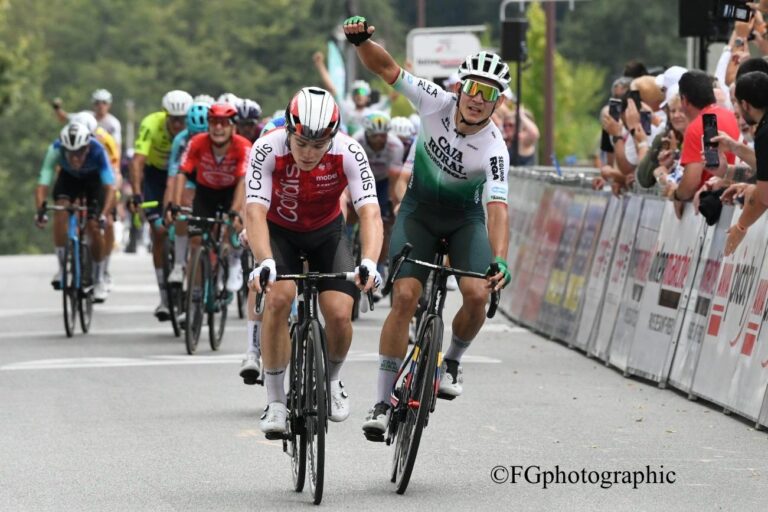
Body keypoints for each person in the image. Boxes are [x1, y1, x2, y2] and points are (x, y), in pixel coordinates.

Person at [340, 16, 511, 438]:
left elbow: (498, 207)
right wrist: (362, 42)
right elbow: (387, 69)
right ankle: (381, 401)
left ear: (497, 103)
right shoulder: (434, 101)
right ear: (460, 88)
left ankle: (451, 360)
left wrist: (500, 258)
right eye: (472, 87)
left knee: (475, 294)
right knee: (404, 297)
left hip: (464, 220)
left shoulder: (494, 149)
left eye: (488, 94)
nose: (476, 98)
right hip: (418, 212)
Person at [246, 86, 383, 434]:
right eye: (302, 143)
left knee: (338, 312)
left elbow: (370, 213)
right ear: (289, 131)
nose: (309, 153)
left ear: (332, 138)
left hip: (327, 233)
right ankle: (275, 402)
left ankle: (333, 379)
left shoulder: (350, 150)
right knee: (279, 298)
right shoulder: (267, 147)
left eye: (319, 145)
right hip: (279, 233)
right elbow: (255, 211)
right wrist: (264, 260)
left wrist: (369, 260)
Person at [129, 89, 193, 321]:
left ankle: (187, 272)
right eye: (173, 119)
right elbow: (137, 162)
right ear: (164, 115)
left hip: (183, 176)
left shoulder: (192, 131)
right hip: (155, 176)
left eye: (182, 119)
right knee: (158, 231)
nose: (178, 124)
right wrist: (136, 194)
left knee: (188, 223)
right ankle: (165, 297)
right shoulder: (151, 124)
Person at [35, 122, 115, 302]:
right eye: (70, 153)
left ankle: (99, 278)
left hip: (94, 182)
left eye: (79, 152)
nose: (75, 159)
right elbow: (42, 183)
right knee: (61, 210)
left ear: (87, 147)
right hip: (69, 179)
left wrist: (103, 214)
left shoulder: (98, 151)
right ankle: (62, 268)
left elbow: (110, 187)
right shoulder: (55, 149)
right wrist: (40, 210)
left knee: (94, 227)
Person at [176, 102, 250, 293]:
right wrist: (174, 204)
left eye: (224, 123)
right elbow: (182, 172)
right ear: (208, 125)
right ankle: (196, 294)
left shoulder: (243, 145)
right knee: (196, 242)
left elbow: (243, 180)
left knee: (236, 223)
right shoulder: (197, 142)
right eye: (214, 122)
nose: (218, 127)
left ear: (233, 126)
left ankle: (234, 264)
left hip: (232, 191)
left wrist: (235, 211)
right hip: (206, 193)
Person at [672, 71, 740, 216]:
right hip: (735, 201)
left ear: (684, 100)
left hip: (712, 207)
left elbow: (691, 182)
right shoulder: (731, 116)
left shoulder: (696, 127)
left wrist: (676, 195)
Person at [719, 71, 768, 255]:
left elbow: (764, 196)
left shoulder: (764, 133)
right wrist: (735, 147)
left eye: (737, 104)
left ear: (745, 104)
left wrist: (740, 227)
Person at [354, 111, 404, 284]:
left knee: (382, 221)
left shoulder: (395, 145)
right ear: (367, 134)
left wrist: (392, 202)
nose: (380, 139)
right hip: (359, 179)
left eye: (383, 135)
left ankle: (380, 265)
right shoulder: (357, 141)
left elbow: (394, 178)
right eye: (375, 136)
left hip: (383, 181)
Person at [166, 102, 210, 284]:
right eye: (193, 134)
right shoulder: (181, 140)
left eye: (202, 134)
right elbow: (174, 177)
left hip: (211, 179)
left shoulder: (219, 139)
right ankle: (178, 264)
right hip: (191, 177)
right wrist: (171, 206)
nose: (197, 140)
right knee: (184, 206)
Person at [53, 89, 123, 150]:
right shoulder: (85, 116)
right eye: (97, 103)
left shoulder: (114, 123)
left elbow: (117, 146)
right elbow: (64, 117)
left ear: (109, 105)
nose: (100, 106)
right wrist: (57, 108)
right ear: (93, 104)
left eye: (104, 103)